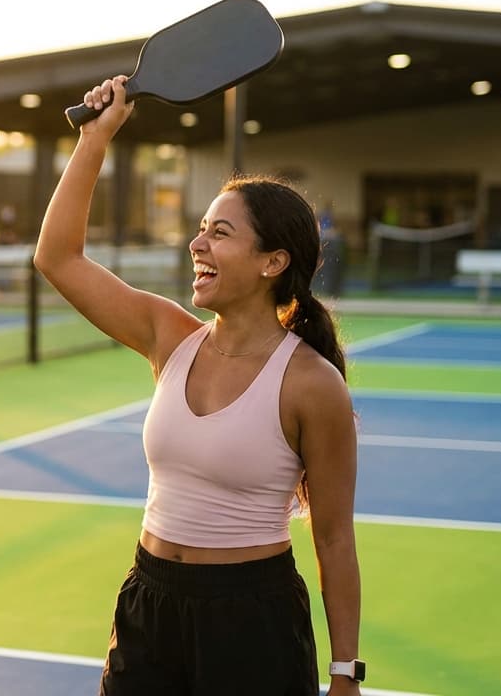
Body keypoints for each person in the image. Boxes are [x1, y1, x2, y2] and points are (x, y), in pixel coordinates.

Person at [34, 76, 362, 695]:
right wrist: (95, 139)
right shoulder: (169, 336)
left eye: (220, 233)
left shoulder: (311, 384)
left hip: (252, 619)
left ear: (273, 262)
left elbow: (334, 536)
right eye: (202, 227)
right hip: (149, 601)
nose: (197, 244)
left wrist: (346, 672)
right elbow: (57, 258)